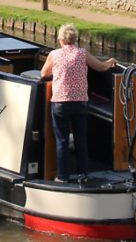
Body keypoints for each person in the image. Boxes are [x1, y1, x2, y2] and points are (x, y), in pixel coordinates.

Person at [40, 23, 117, 183]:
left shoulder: (54, 55)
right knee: (81, 139)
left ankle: (62, 177)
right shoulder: (82, 54)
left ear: (61, 39)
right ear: (75, 39)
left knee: (62, 140)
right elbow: (101, 67)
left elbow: (43, 74)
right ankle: (83, 175)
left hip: (60, 102)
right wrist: (110, 62)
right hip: (80, 102)